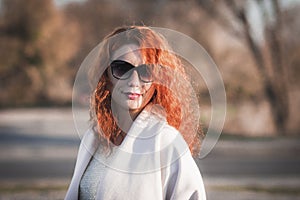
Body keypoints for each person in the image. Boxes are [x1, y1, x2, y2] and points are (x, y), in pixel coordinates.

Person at [65, 26, 206, 200]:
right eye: (122, 69)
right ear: (106, 77)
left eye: (146, 71)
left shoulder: (167, 142)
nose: (134, 81)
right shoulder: (93, 138)